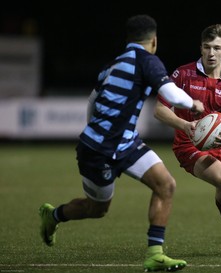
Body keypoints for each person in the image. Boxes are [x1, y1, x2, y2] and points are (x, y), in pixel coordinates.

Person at [38, 14, 204, 272]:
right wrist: (192, 104)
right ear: (154, 40)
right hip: (98, 151)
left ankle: (155, 254)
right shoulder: (147, 60)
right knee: (97, 209)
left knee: (166, 184)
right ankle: (53, 215)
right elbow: (169, 92)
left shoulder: (112, 65)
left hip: (126, 144)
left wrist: (96, 128)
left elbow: (92, 101)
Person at [154, 24, 221, 255]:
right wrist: (185, 125)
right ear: (201, 48)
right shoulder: (182, 74)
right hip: (188, 144)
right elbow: (160, 110)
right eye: (206, 47)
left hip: (219, 143)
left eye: (216, 48)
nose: (211, 53)